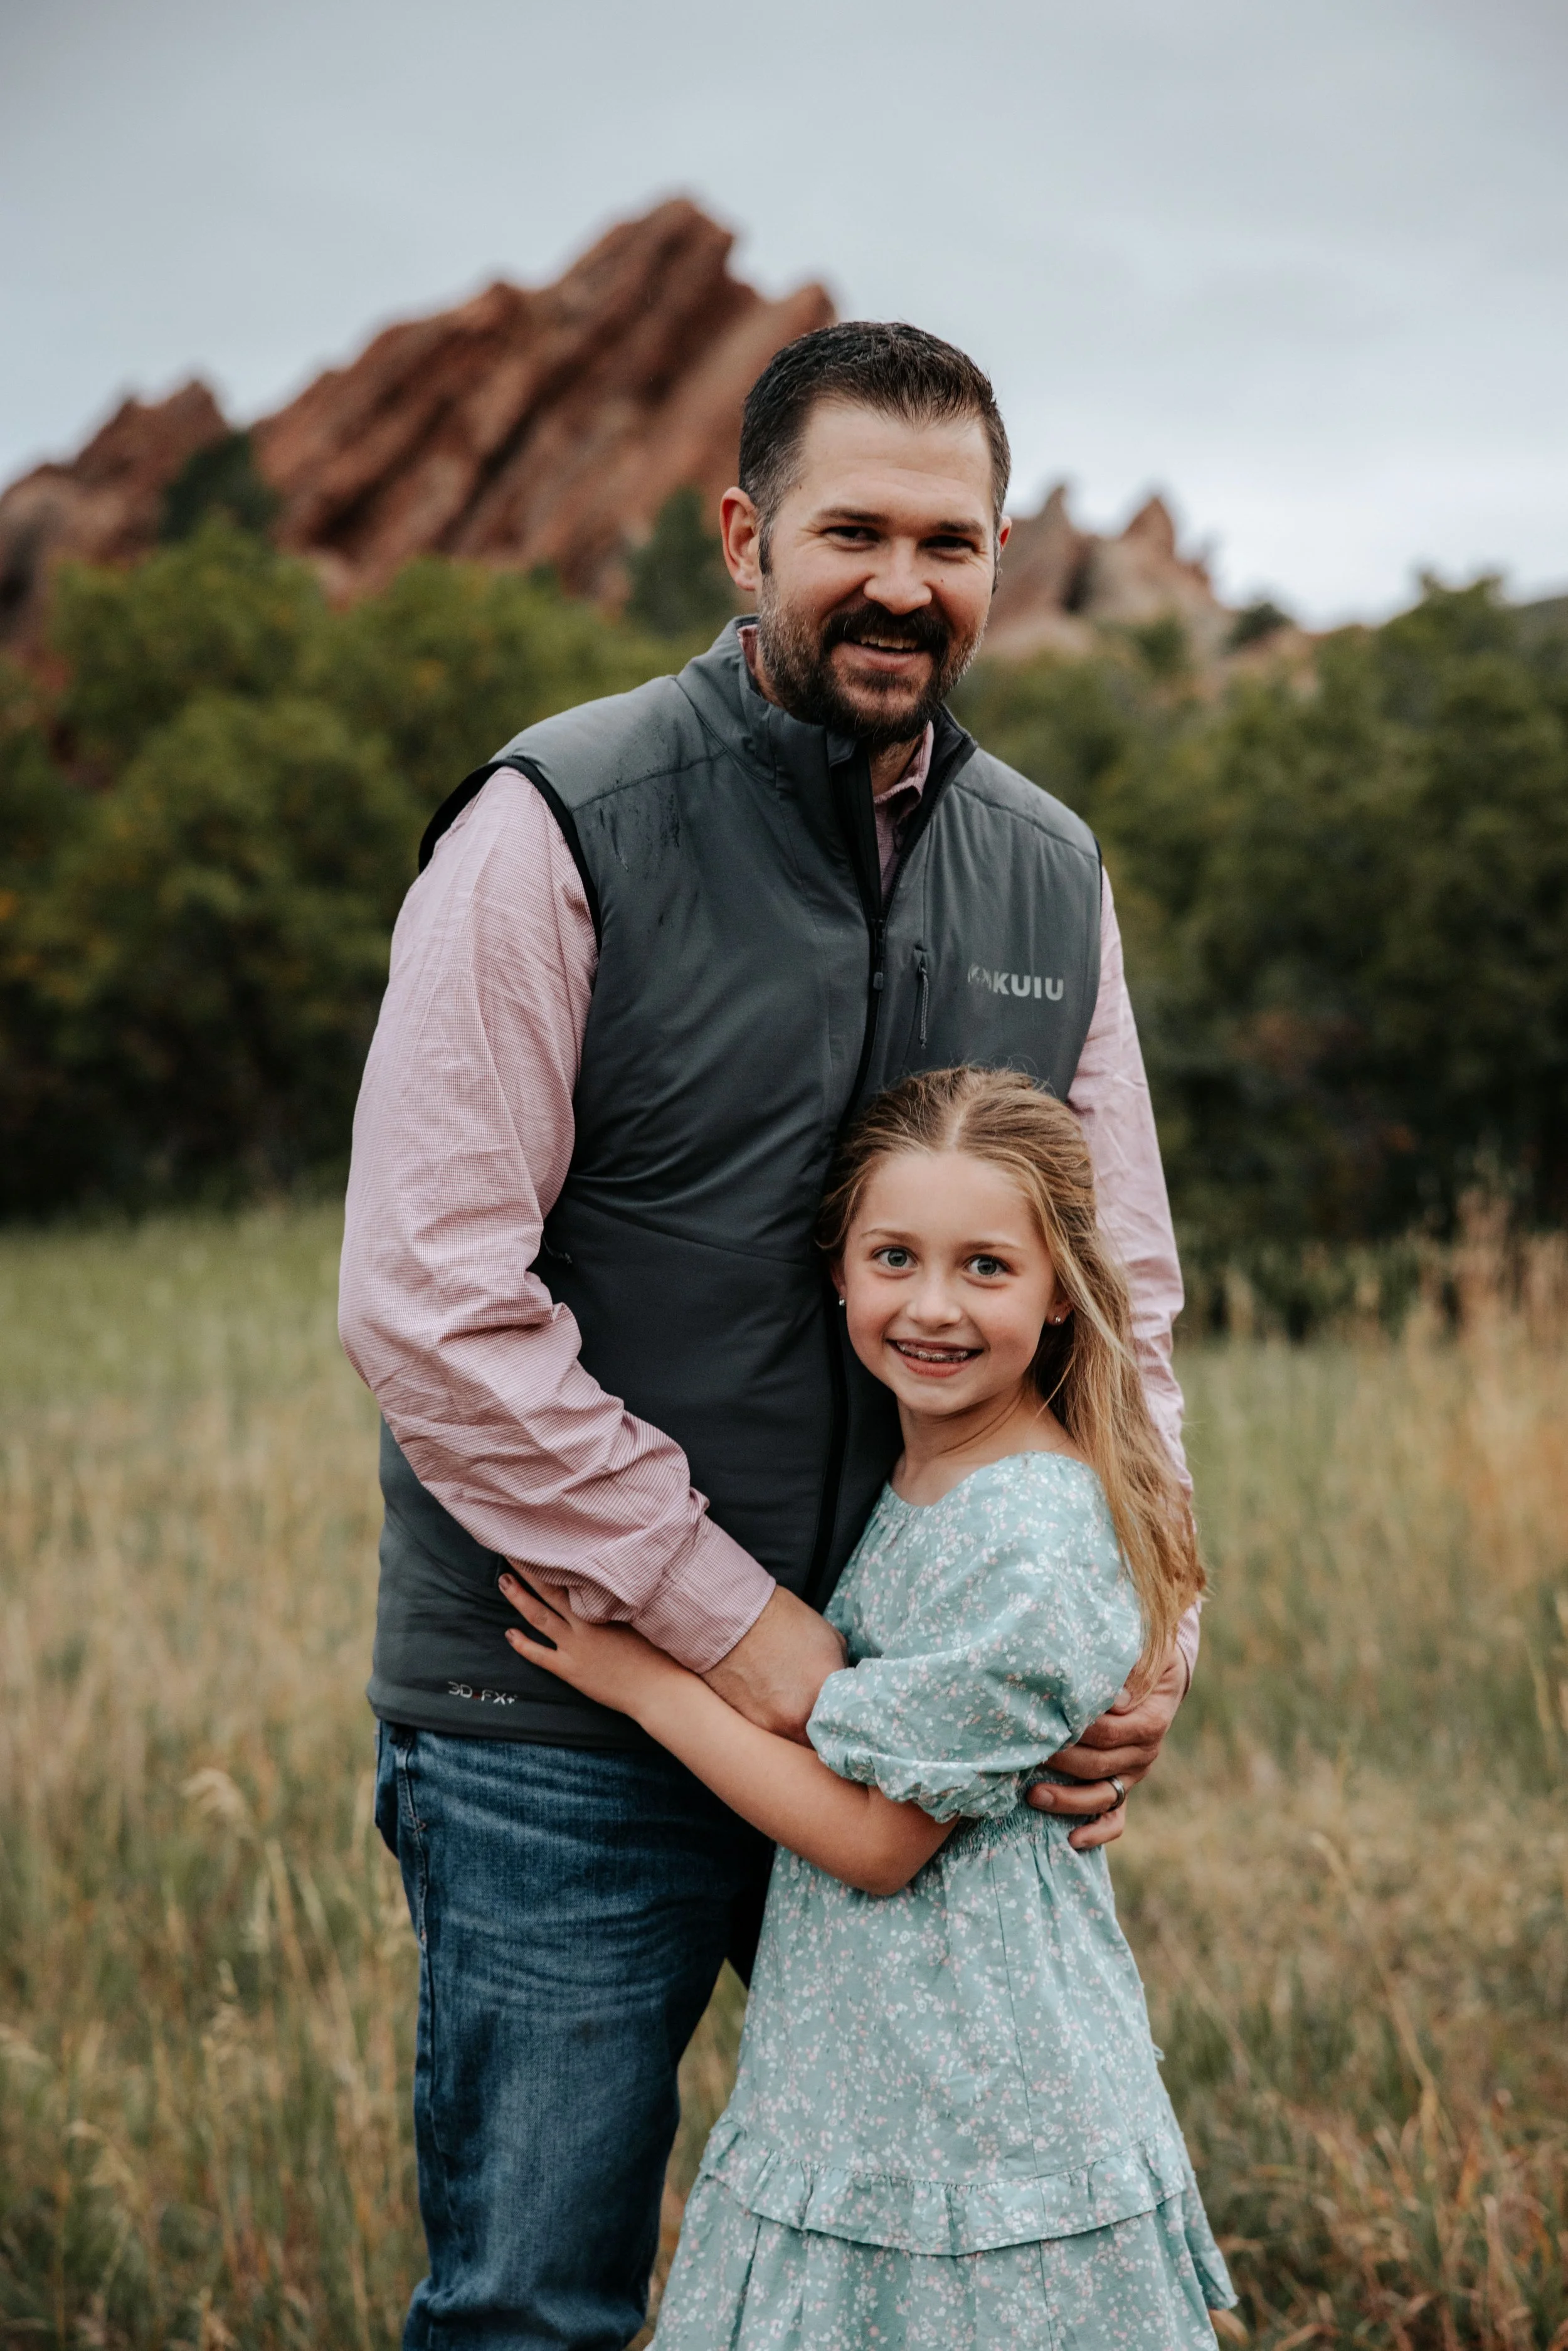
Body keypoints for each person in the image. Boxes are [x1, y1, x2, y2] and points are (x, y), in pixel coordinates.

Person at [339, 321, 1201, 2349]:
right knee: (535, 2303)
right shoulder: (556, 825)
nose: (906, 580)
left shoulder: (1048, 869)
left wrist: (1158, 1628)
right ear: (745, 533)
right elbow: (434, 1302)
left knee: (894, 2281)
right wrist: (745, 1641)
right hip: (569, 1716)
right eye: (855, 529)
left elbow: (1124, 1285)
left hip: (923, 1724)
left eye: (952, 537)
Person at [499, 1066, 1236, 2349]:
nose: (932, 1304)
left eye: (986, 1267)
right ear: (836, 1265)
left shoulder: (1029, 1531)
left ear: (1060, 1288)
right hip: (877, 2075)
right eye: (893, 1254)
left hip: (980, 2102)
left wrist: (643, 1679)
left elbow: (879, 1841)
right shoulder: (930, 1470)